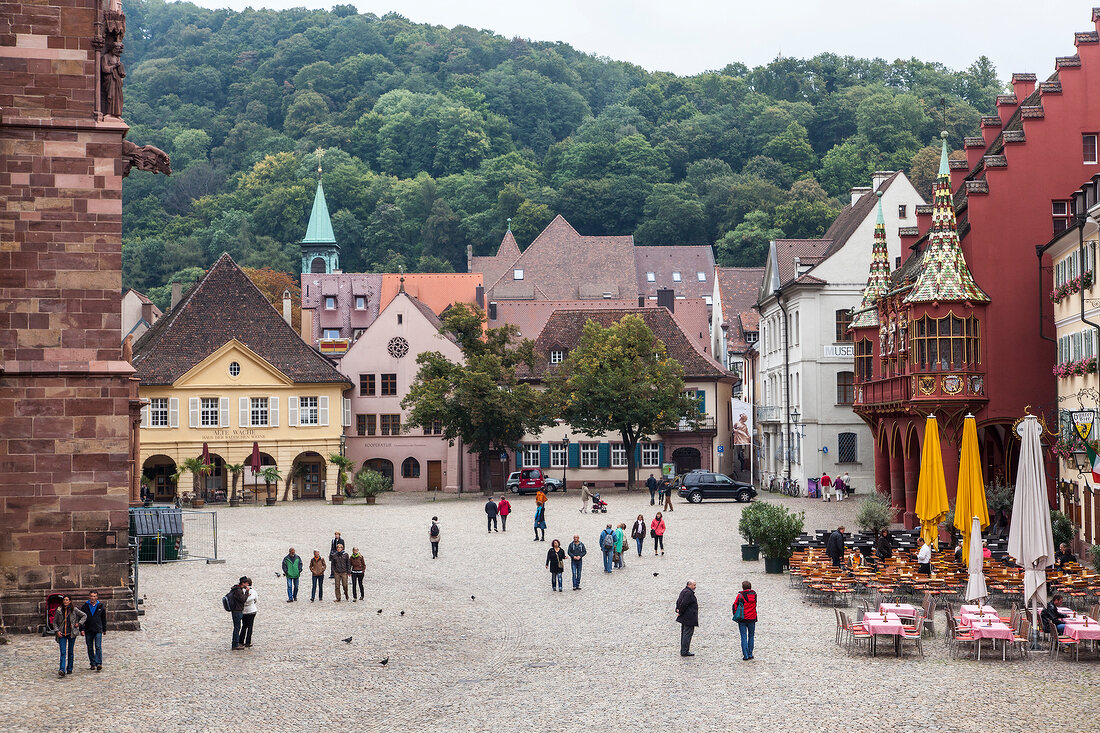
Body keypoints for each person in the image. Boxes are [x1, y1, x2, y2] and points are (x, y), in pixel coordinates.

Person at [51, 595, 86, 676]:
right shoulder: (59, 610)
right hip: (62, 634)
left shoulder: (74, 610)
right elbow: (54, 622)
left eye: (67, 600)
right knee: (63, 652)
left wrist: (79, 624)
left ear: (70, 601)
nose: (65, 601)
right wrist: (57, 631)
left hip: (71, 633)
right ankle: (62, 669)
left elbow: (84, 615)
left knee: (70, 652)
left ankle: (69, 668)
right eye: (64, 600)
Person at [79, 590, 106, 672]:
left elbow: (103, 619)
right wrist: (82, 629)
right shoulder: (85, 606)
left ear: (97, 597)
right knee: (90, 647)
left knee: (98, 646)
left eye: (94, 596)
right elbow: (81, 618)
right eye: (91, 596)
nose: (92, 598)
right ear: (89, 597)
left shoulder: (101, 606)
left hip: (98, 629)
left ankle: (98, 663)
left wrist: (104, 629)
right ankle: (92, 663)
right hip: (88, 629)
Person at [733, 580, 758, 661]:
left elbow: (735, 606)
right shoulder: (754, 595)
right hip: (752, 618)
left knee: (743, 636)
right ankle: (750, 653)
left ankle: (745, 655)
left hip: (743, 618)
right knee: (751, 636)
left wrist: (735, 615)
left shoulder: (740, 596)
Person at [676, 580, 698, 657]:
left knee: (684, 633)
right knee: (687, 634)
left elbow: (678, 601)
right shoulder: (689, 593)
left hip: (685, 617)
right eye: (694, 585)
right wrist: (680, 611)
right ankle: (685, 651)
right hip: (689, 617)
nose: (695, 587)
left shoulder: (684, 591)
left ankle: (683, 650)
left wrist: (678, 609)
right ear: (689, 585)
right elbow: (684, 603)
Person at [228, 577, 247, 650]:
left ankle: (236, 642)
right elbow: (243, 599)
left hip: (235, 610)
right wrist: (247, 593)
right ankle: (235, 644)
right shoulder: (238, 590)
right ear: (243, 583)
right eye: (246, 583)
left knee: (237, 627)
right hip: (237, 610)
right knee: (237, 628)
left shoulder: (235, 589)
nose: (247, 585)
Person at [238, 578, 257, 648]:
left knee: (244, 626)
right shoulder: (253, 591)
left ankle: (241, 641)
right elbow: (256, 599)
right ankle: (248, 642)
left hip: (244, 610)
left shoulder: (241, 591)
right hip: (252, 610)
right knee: (250, 626)